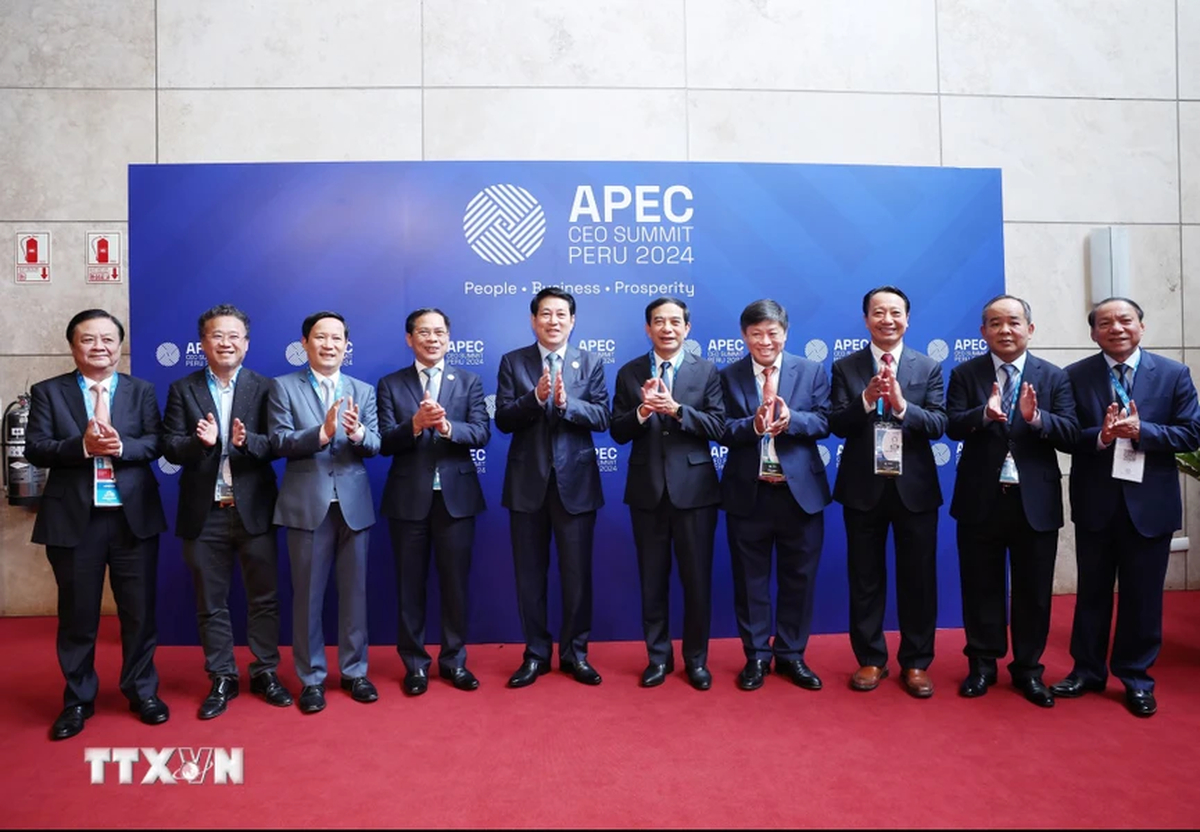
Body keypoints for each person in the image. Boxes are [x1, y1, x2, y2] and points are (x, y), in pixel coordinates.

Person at [1050, 298, 1200, 717]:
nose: (1116, 328)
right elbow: (1064, 435)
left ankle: (1136, 677)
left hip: (1149, 505)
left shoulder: (1173, 375)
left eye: (1125, 320)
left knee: (1143, 596)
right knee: (1092, 592)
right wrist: (1100, 436)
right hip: (1097, 502)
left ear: (1141, 326)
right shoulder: (1075, 376)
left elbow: (1192, 433)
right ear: (1094, 333)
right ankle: (1087, 671)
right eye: (1105, 323)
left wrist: (1143, 431)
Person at [26, 309, 169, 739]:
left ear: (120, 345)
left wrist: (121, 445)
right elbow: (36, 448)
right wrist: (82, 447)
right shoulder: (48, 392)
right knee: (78, 616)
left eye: (108, 339)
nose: (99, 347)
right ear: (73, 346)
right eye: (89, 340)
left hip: (132, 520)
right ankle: (77, 699)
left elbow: (155, 442)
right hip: (75, 521)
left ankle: (142, 691)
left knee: (139, 613)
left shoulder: (141, 391)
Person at [946, 294, 1079, 708]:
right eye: (995, 323)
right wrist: (983, 416)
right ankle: (982, 664)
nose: (1005, 330)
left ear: (1030, 329)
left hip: (1033, 501)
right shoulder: (965, 373)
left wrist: (1037, 419)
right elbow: (950, 425)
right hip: (981, 499)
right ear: (983, 331)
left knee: (1034, 590)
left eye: (1014, 322)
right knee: (980, 586)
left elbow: (1072, 434)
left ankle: (1028, 670)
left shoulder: (1053, 377)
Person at [162, 304, 292, 719]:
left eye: (234, 335)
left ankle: (265, 671)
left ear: (247, 344)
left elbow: (275, 444)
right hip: (204, 512)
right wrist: (201, 443)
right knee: (211, 601)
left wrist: (243, 441)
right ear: (203, 343)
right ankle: (222, 676)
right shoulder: (183, 389)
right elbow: (168, 447)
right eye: (217, 335)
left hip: (254, 509)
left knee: (265, 598)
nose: (226, 342)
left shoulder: (265, 387)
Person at [829, 286, 948, 698]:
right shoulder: (846, 367)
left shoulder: (928, 366)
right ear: (866, 320)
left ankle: (916, 662)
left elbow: (937, 424)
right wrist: (865, 399)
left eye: (895, 313)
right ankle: (871, 658)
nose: (887, 320)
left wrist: (901, 406)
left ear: (908, 319)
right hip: (862, 489)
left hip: (914, 490)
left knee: (919, 580)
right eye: (878, 313)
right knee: (864, 579)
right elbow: (835, 425)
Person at [495, 287, 610, 687]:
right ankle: (536, 654)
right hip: (527, 484)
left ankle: (576, 653)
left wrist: (565, 404)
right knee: (530, 575)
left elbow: (602, 417)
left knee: (577, 576)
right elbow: (504, 420)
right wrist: (535, 397)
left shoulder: (590, 362)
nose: (554, 321)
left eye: (561, 314)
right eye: (546, 313)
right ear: (533, 320)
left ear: (573, 320)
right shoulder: (514, 362)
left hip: (575, 484)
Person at [268, 311, 381, 713]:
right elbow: (278, 441)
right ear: (305, 343)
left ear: (346, 346)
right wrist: (322, 433)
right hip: (306, 505)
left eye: (337, 338)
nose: (329, 345)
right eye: (321, 337)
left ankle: (354, 672)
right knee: (308, 597)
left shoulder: (362, 390)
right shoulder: (283, 387)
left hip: (353, 504)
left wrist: (358, 434)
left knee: (355, 595)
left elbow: (376, 443)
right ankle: (311, 678)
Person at [610, 297, 725, 690]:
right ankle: (657, 658)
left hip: (695, 493)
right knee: (652, 580)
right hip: (647, 493)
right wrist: (643, 412)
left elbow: (718, 427)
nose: (667, 328)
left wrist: (676, 410)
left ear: (687, 328)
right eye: (658, 321)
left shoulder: (706, 371)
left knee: (697, 581)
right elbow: (617, 431)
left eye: (675, 321)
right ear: (648, 329)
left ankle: (696, 660)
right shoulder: (629, 372)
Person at [377, 308, 491, 696]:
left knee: (455, 585)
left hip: (456, 500)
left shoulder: (470, 381)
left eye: (439, 332)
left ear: (449, 337)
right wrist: (414, 425)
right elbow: (383, 442)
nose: (432, 338)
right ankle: (414, 665)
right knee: (410, 586)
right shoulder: (391, 384)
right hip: (408, 499)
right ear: (410, 338)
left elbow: (481, 433)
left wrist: (445, 427)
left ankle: (454, 661)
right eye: (423, 332)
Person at [719, 299, 831, 692]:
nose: (765, 341)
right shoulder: (727, 376)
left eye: (772, 333)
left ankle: (791, 655)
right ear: (744, 335)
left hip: (799, 493)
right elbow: (721, 429)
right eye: (755, 333)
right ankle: (756, 658)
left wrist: (791, 420)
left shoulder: (812, 370)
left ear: (785, 332)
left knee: (799, 578)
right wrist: (753, 424)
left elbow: (823, 421)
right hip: (748, 493)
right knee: (750, 581)